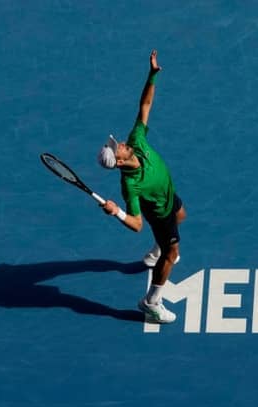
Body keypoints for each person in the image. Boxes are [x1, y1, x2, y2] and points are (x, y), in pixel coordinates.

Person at [97, 49, 186, 324]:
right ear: (119, 162)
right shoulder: (130, 186)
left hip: (167, 197)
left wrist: (152, 76)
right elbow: (136, 224)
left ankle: (156, 250)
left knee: (181, 215)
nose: (119, 143)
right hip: (158, 213)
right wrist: (116, 212)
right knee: (172, 253)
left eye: (117, 143)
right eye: (117, 148)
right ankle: (151, 302)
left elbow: (145, 106)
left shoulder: (135, 139)